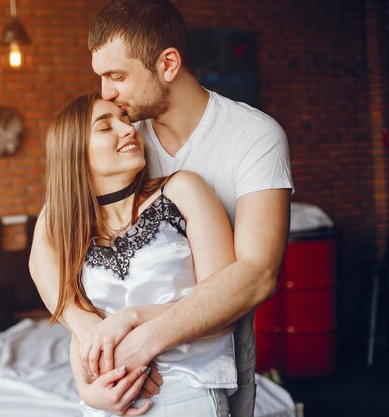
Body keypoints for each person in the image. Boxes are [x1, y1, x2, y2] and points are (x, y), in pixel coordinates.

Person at [29, 1, 293, 416]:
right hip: (118, 370)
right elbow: (46, 243)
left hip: (210, 355)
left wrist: (141, 341)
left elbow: (257, 274)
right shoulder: (125, 139)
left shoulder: (253, 136)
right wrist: (92, 336)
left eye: (117, 76)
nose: (106, 92)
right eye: (102, 78)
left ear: (168, 63)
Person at [44, 92, 237, 416]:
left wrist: (130, 319)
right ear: (75, 153)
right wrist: (87, 391)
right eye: (105, 128)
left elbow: (225, 306)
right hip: (107, 402)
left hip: (184, 392)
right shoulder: (70, 228)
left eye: (126, 120)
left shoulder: (183, 189)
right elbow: (83, 322)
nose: (128, 129)